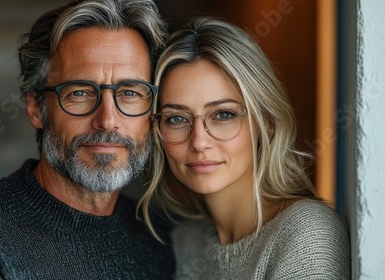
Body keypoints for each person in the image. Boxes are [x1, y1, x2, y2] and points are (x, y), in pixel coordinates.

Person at [0, 0, 175, 279]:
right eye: (79, 92)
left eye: (130, 93)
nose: (107, 120)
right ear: (36, 108)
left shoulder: (160, 238)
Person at [138, 17, 350, 279]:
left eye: (223, 115)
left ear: (267, 122)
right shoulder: (185, 242)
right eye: (177, 119)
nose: (199, 142)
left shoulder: (307, 234)